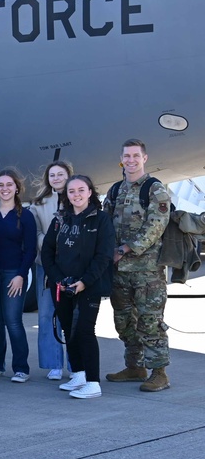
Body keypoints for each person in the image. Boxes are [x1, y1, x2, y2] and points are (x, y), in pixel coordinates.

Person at [104, 139, 172, 391]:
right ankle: (135, 366)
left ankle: (159, 373)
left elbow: (156, 225)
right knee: (123, 321)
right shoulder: (114, 190)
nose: (131, 160)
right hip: (119, 271)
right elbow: (106, 224)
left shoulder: (154, 189)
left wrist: (125, 249)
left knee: (150, 322)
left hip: (147, 271)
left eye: (135, 156)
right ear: (121, 160)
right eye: (126, 156)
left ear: (144, 158)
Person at [42, 175, 115, 399]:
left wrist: (84, 282)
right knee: (68, 330)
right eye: (72, 191)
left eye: (81, 190)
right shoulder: (59, 220)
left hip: (89, 286)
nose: (77, 195)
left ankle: (93, 383)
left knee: (84, 331)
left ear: (90, 192)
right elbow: (47, 252)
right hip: (62, 286)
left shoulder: (101, 220)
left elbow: (103, 257)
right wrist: (57, 280)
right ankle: (79, 375)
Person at [0, 168, 37, 382]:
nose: (5, 189)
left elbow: (31, 250)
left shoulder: (26, 215)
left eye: (9, 185)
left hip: (14, 273)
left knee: (13, 321)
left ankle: (21, 367)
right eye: (1, 185)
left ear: (17, 188)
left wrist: (21, 275)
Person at [28, 160, 73, 381]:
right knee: (46, 314)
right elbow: (35, 231)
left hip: (72, 266)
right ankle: (53, 363)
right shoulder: (38, 203)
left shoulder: (77, 199)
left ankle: (75, 364)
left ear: (68, 175)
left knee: (72, 316)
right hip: (45, 266)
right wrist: (50, 244)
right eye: (52, 175)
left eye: (60, 174)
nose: (56, 178)